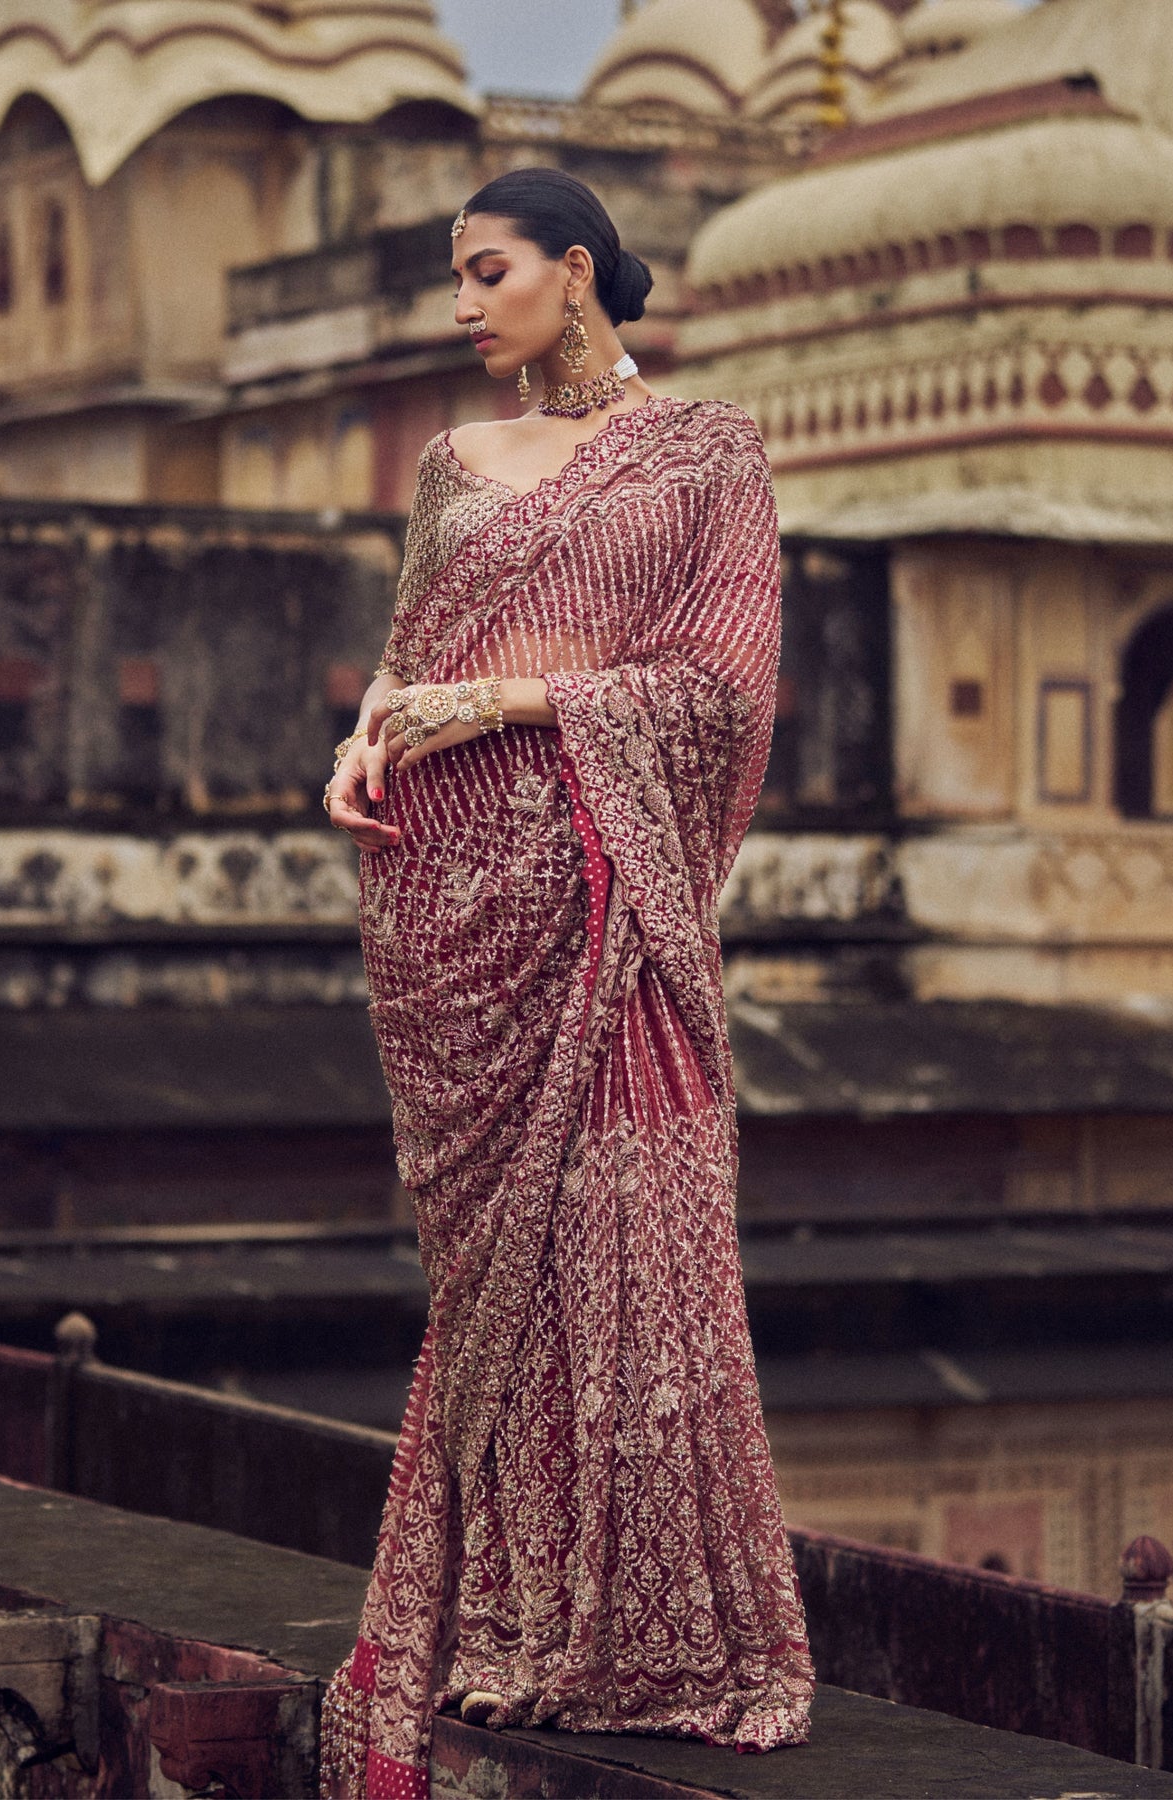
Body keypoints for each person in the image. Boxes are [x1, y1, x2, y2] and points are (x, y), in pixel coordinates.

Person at [318, 167, 814, 1800]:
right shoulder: (450, 463)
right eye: (453, 279)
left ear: (577, 271)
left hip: (602, 886)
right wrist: (363, 738)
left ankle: (661, 1639)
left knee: (630, 1233)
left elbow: (724, 691)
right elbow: (409, 651)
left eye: (487, 272)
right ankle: (522, 1618)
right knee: (492, 1283)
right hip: (436, 900)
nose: (463, 308)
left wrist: (518, 702)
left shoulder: (704, 453)